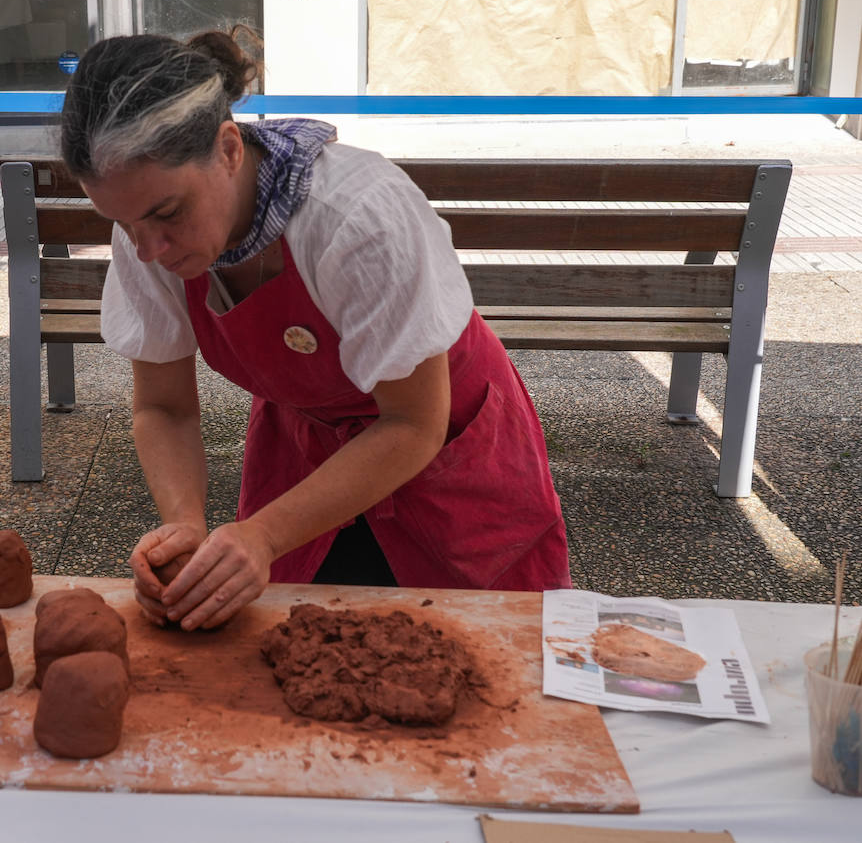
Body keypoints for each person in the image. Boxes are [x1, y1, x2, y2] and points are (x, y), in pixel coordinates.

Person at [59, 31, 571, 633]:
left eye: (168, 214)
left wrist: (265, 534)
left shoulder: (357, 216)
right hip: (308, 450)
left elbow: (412, 423)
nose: (147, 250)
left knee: (477, 654)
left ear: (228, 149)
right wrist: (185, 525)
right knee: (303, 647)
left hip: (445, 450)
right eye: (121, 222)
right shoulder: (147, 235)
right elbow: (165, 408)